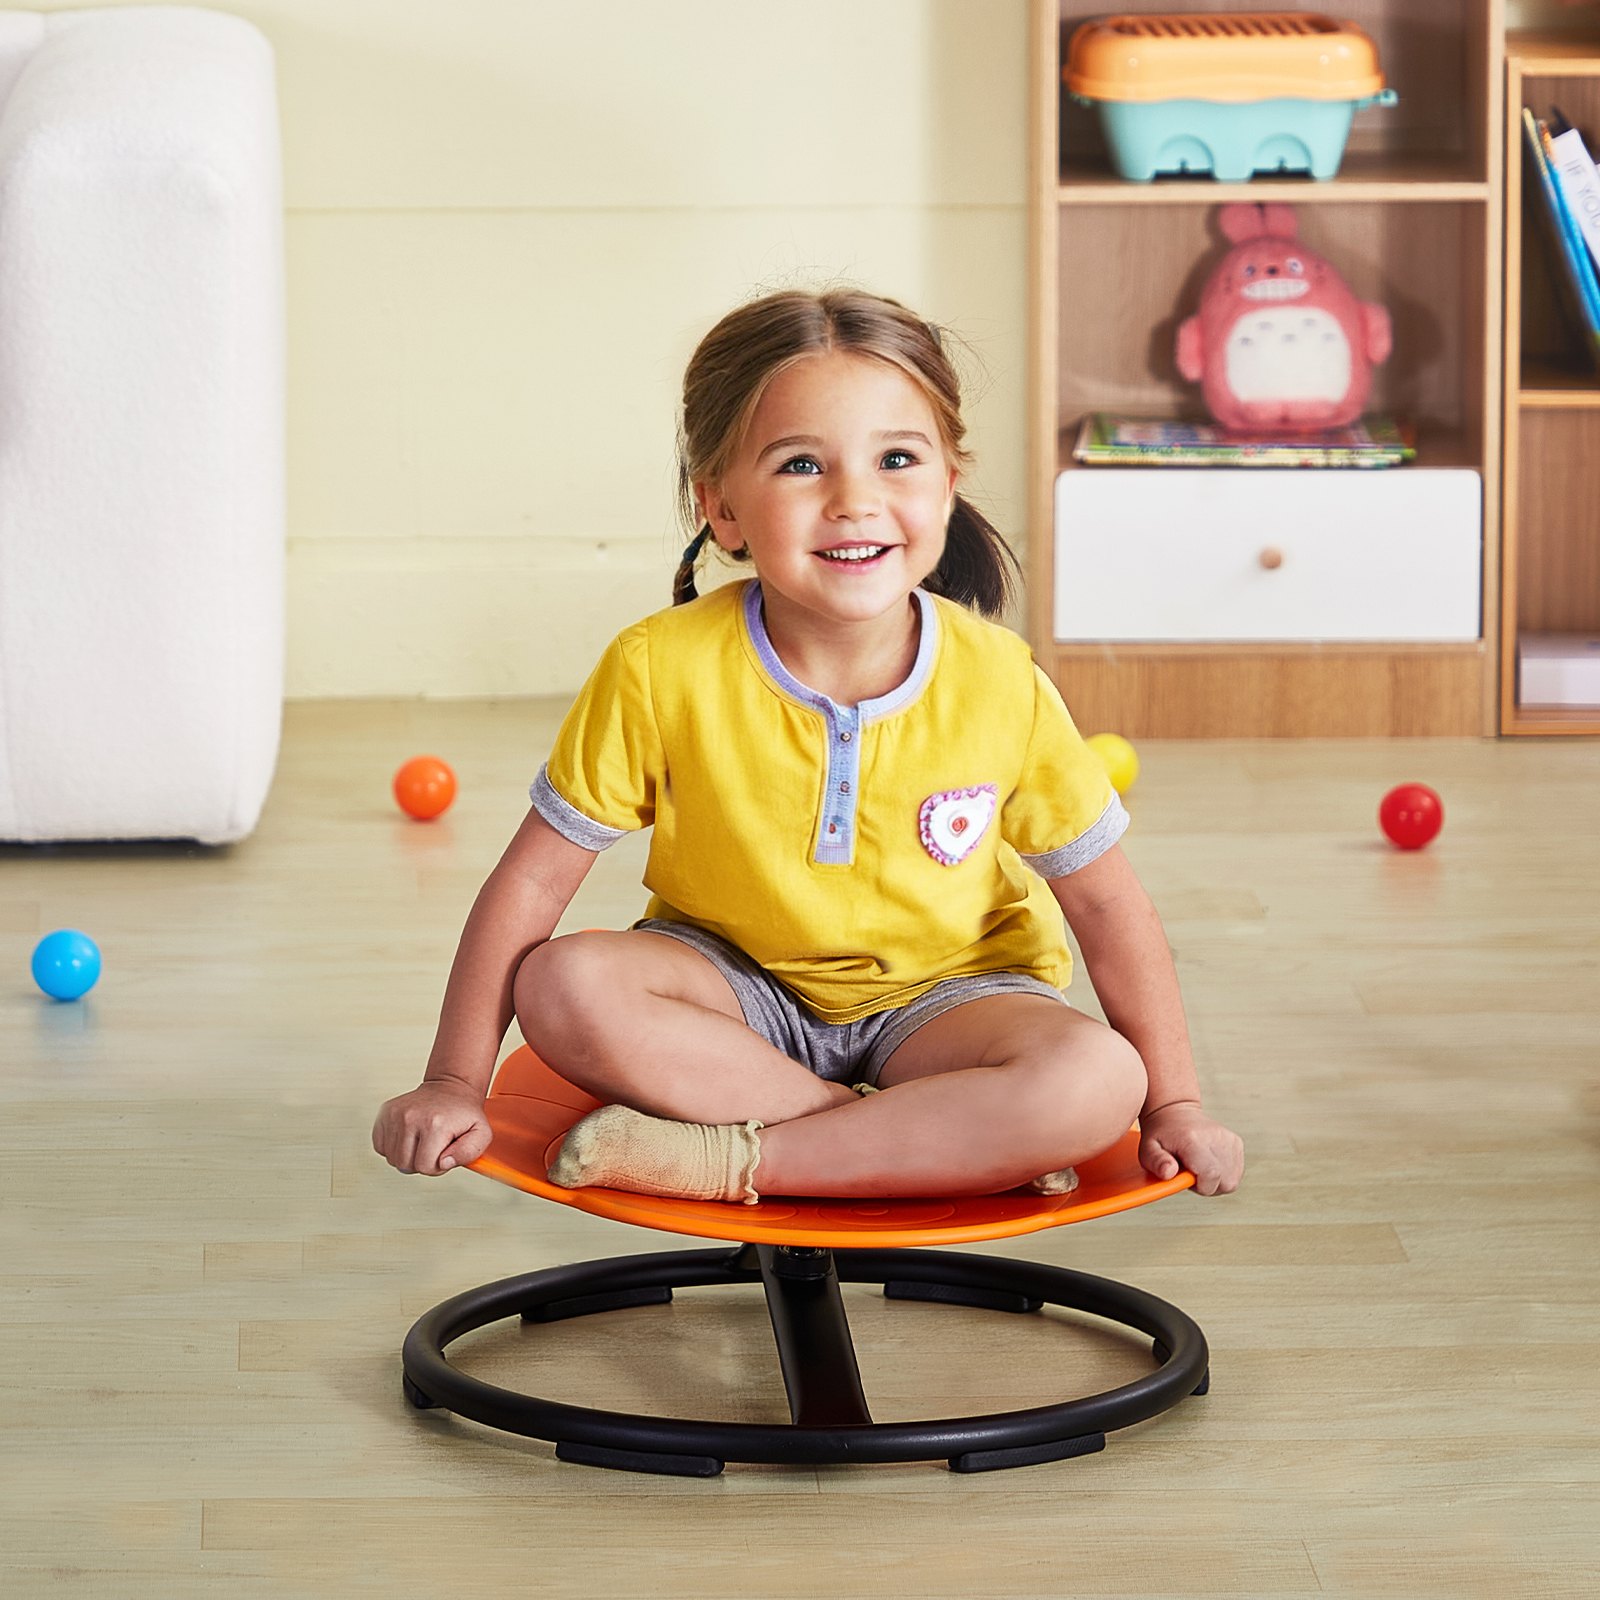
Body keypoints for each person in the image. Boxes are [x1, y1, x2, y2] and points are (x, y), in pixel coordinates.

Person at [372, 288, 1244, 1205]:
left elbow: (1106, 907)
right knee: (560, 984)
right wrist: (452, 1081)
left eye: (897, 459)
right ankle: (917, 1137)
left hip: (952, 1002)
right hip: (730, 998)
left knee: (1102, 1078)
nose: (854, 501)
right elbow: (534, 883)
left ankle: (736, 1162)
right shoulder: (655, 666)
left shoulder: (1002, 679)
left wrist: (1176, 1100)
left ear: (949, 483)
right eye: (799, 465)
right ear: (722, 509)